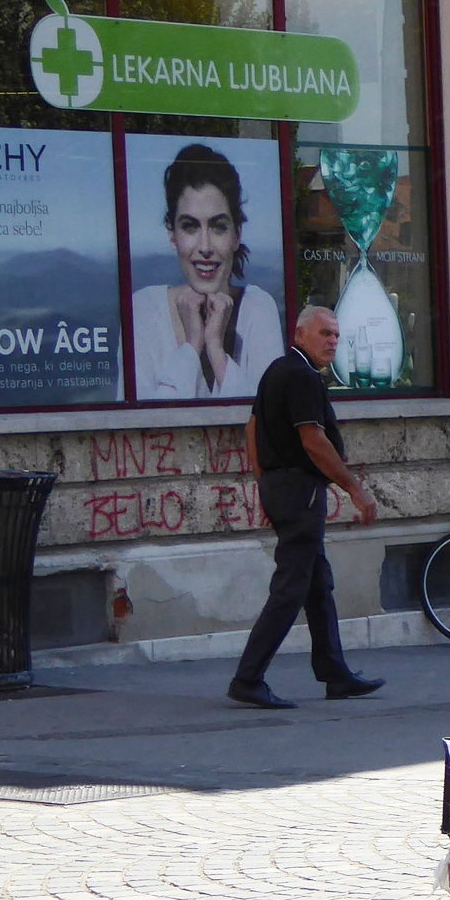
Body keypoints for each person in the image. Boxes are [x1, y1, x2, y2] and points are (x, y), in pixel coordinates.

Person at [225, 306, 383, 709]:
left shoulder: (279, 371)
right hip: (299, 489)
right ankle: (248, 678)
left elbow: (252, 427)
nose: (332, 340)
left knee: (317, 586)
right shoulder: (300, 375)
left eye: (335, 334)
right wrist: (354, 488)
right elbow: (312, 439)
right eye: (324, 333)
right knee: (291, 587)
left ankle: (335, 673)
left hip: (283, 486)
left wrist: (263, 482)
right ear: (300, 335)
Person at [133, 145, 284, 399]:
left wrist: (216, 349)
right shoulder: (143, 310)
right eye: (190, 227)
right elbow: (142, 428)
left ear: (237, 235)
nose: (204, 247)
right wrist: (192, 346)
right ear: (172, 234)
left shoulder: (258, 309)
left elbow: (270, 415)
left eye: (218, 227)